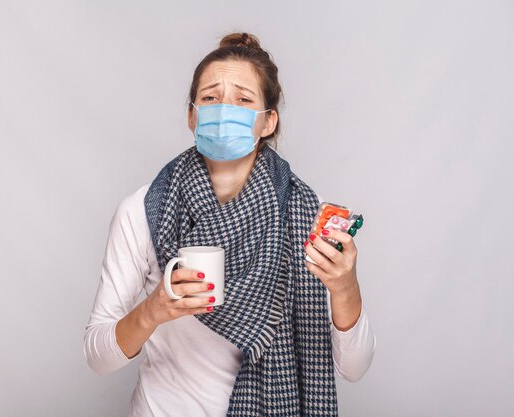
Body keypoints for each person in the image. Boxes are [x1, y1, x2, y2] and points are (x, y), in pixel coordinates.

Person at [84, 32, 376, 417]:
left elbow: (354, 369)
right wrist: (152, 311)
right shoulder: (145, 211)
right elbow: (97, 357)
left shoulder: (305, 214)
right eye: (209, 98)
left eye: (242, 99)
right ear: (191, 115)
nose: (224, 109)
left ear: (268, 121)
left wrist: (344, 286)